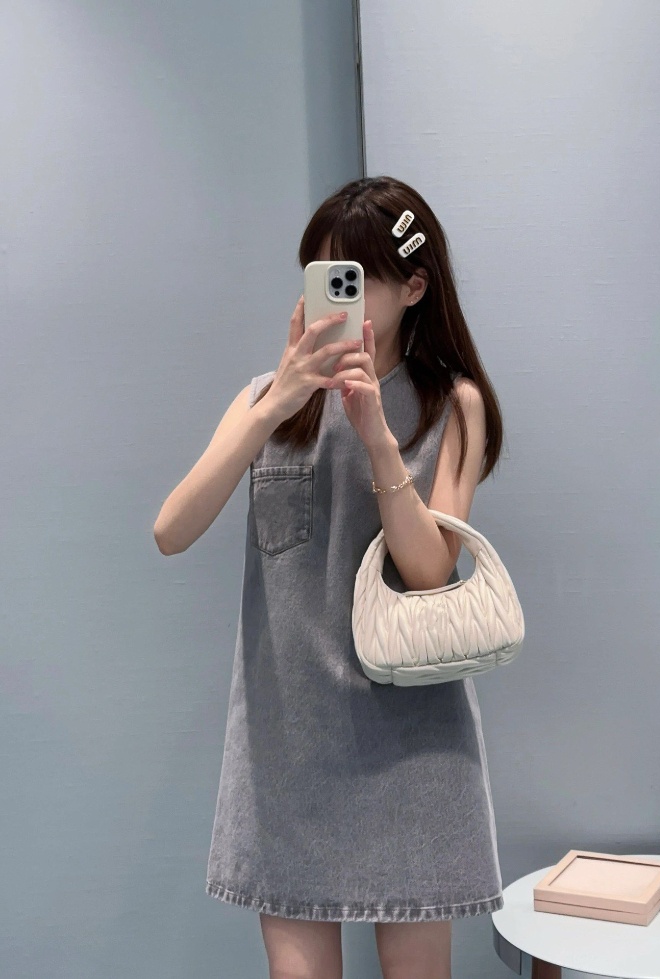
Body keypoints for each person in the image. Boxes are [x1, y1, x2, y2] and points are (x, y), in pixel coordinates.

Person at [153, 175, 505, 979]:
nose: (336, 298)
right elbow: (171, 530)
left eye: (357, 277)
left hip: (414, 751)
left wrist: (377, 435)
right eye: (322, 275)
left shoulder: (451, 405)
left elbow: (429, 572)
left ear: (414, 287)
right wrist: (275, 405)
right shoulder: (265, 402)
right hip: (289, 755)